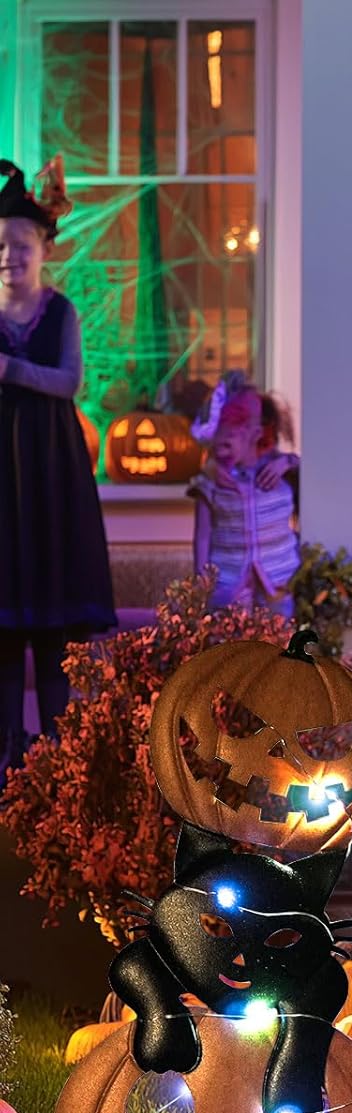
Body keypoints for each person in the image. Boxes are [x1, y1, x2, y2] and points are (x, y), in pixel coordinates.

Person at [0, 156, 116, 776]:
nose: (8, 255)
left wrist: (10, 371)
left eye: (20, 244)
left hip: (48, 477)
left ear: (43, 247)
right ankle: (5, 766)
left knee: (51, 638)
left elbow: (69, 380)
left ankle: (57, 763)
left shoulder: (60, 311)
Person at [190, 371, 300, 616]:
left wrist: (288, 463)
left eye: (231, 437)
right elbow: (202, 537)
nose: (222, 449)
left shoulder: (281, 473)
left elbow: (311, 477)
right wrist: (201, 587)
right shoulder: (210, 484)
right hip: (228, 586)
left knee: (279, 645)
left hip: (278, 582)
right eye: (217, 442)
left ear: (256, 434)